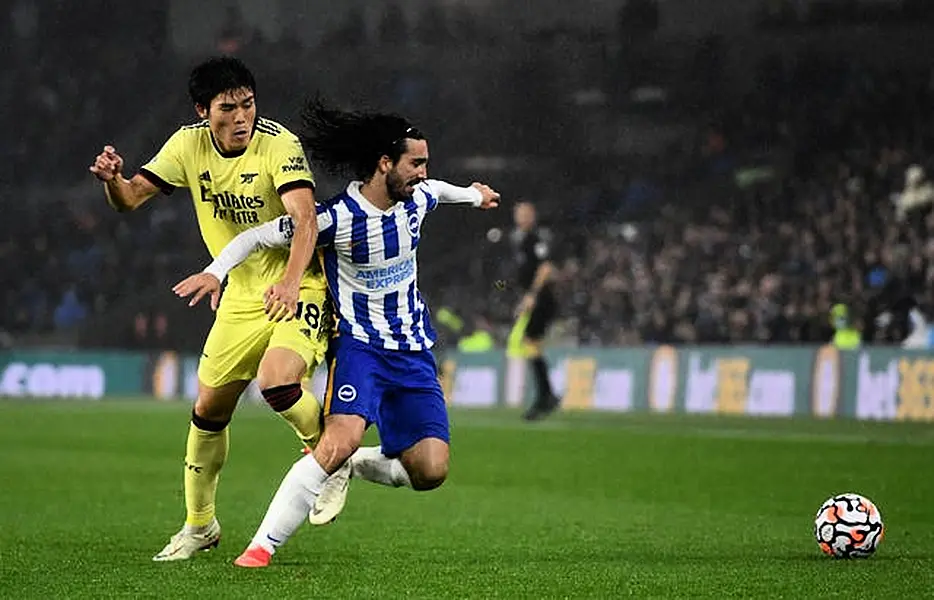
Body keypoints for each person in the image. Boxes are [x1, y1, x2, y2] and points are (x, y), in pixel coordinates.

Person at [177, 99, 500, 567]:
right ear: (384, 164)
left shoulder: (420, 198)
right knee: (336, 441)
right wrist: (215, 271)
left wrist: (474, 195)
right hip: (359, 350)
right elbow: (255, 237)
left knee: (430, 471)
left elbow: (444, 191)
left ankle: (358, 464)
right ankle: (261, 547)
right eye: (417, 163)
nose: (425, 174)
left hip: (412, 352)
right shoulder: (334, 219)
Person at [88, 57, 328, 562]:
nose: (241, 117)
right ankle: (201, 526)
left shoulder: (277, 144)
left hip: (299, 283)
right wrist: (113, 180)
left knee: (278, 380)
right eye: (228, 107)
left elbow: (305, 220)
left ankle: (330, 458)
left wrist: (288, 283)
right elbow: (129, 199)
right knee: (207, 412)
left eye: (248, 104)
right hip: (240, 296)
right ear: (204, 110)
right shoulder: (187, 144)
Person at [508, 201, 562, 420]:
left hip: (542, 299)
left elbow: (546, 267)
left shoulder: (536, 239)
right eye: (519, 213)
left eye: (526, 213)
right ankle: (546, 395)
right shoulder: (521, 241)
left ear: (533, 215)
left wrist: (532, 295)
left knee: (530, 343)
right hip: (535, 299)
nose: (522, 217)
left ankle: (545, 396)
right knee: (532, 345)